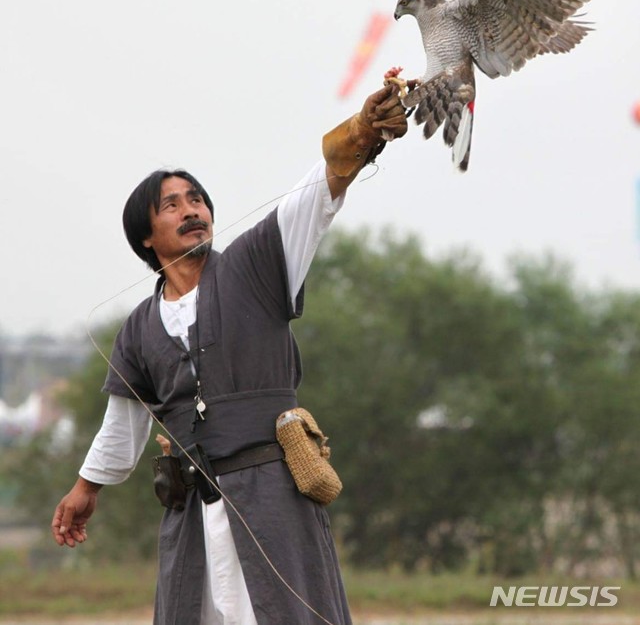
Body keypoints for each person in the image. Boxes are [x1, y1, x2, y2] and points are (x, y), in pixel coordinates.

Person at [51, 85, 407, 625]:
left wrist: (364, 129)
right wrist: (84, 489)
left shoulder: (257, 265)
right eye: (171, 206)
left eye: (196, 200)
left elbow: (315, 193)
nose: (191, 210)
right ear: (146, 237)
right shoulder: (138, 329)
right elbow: (121, 430)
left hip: (274, 499)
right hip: (192, 510)